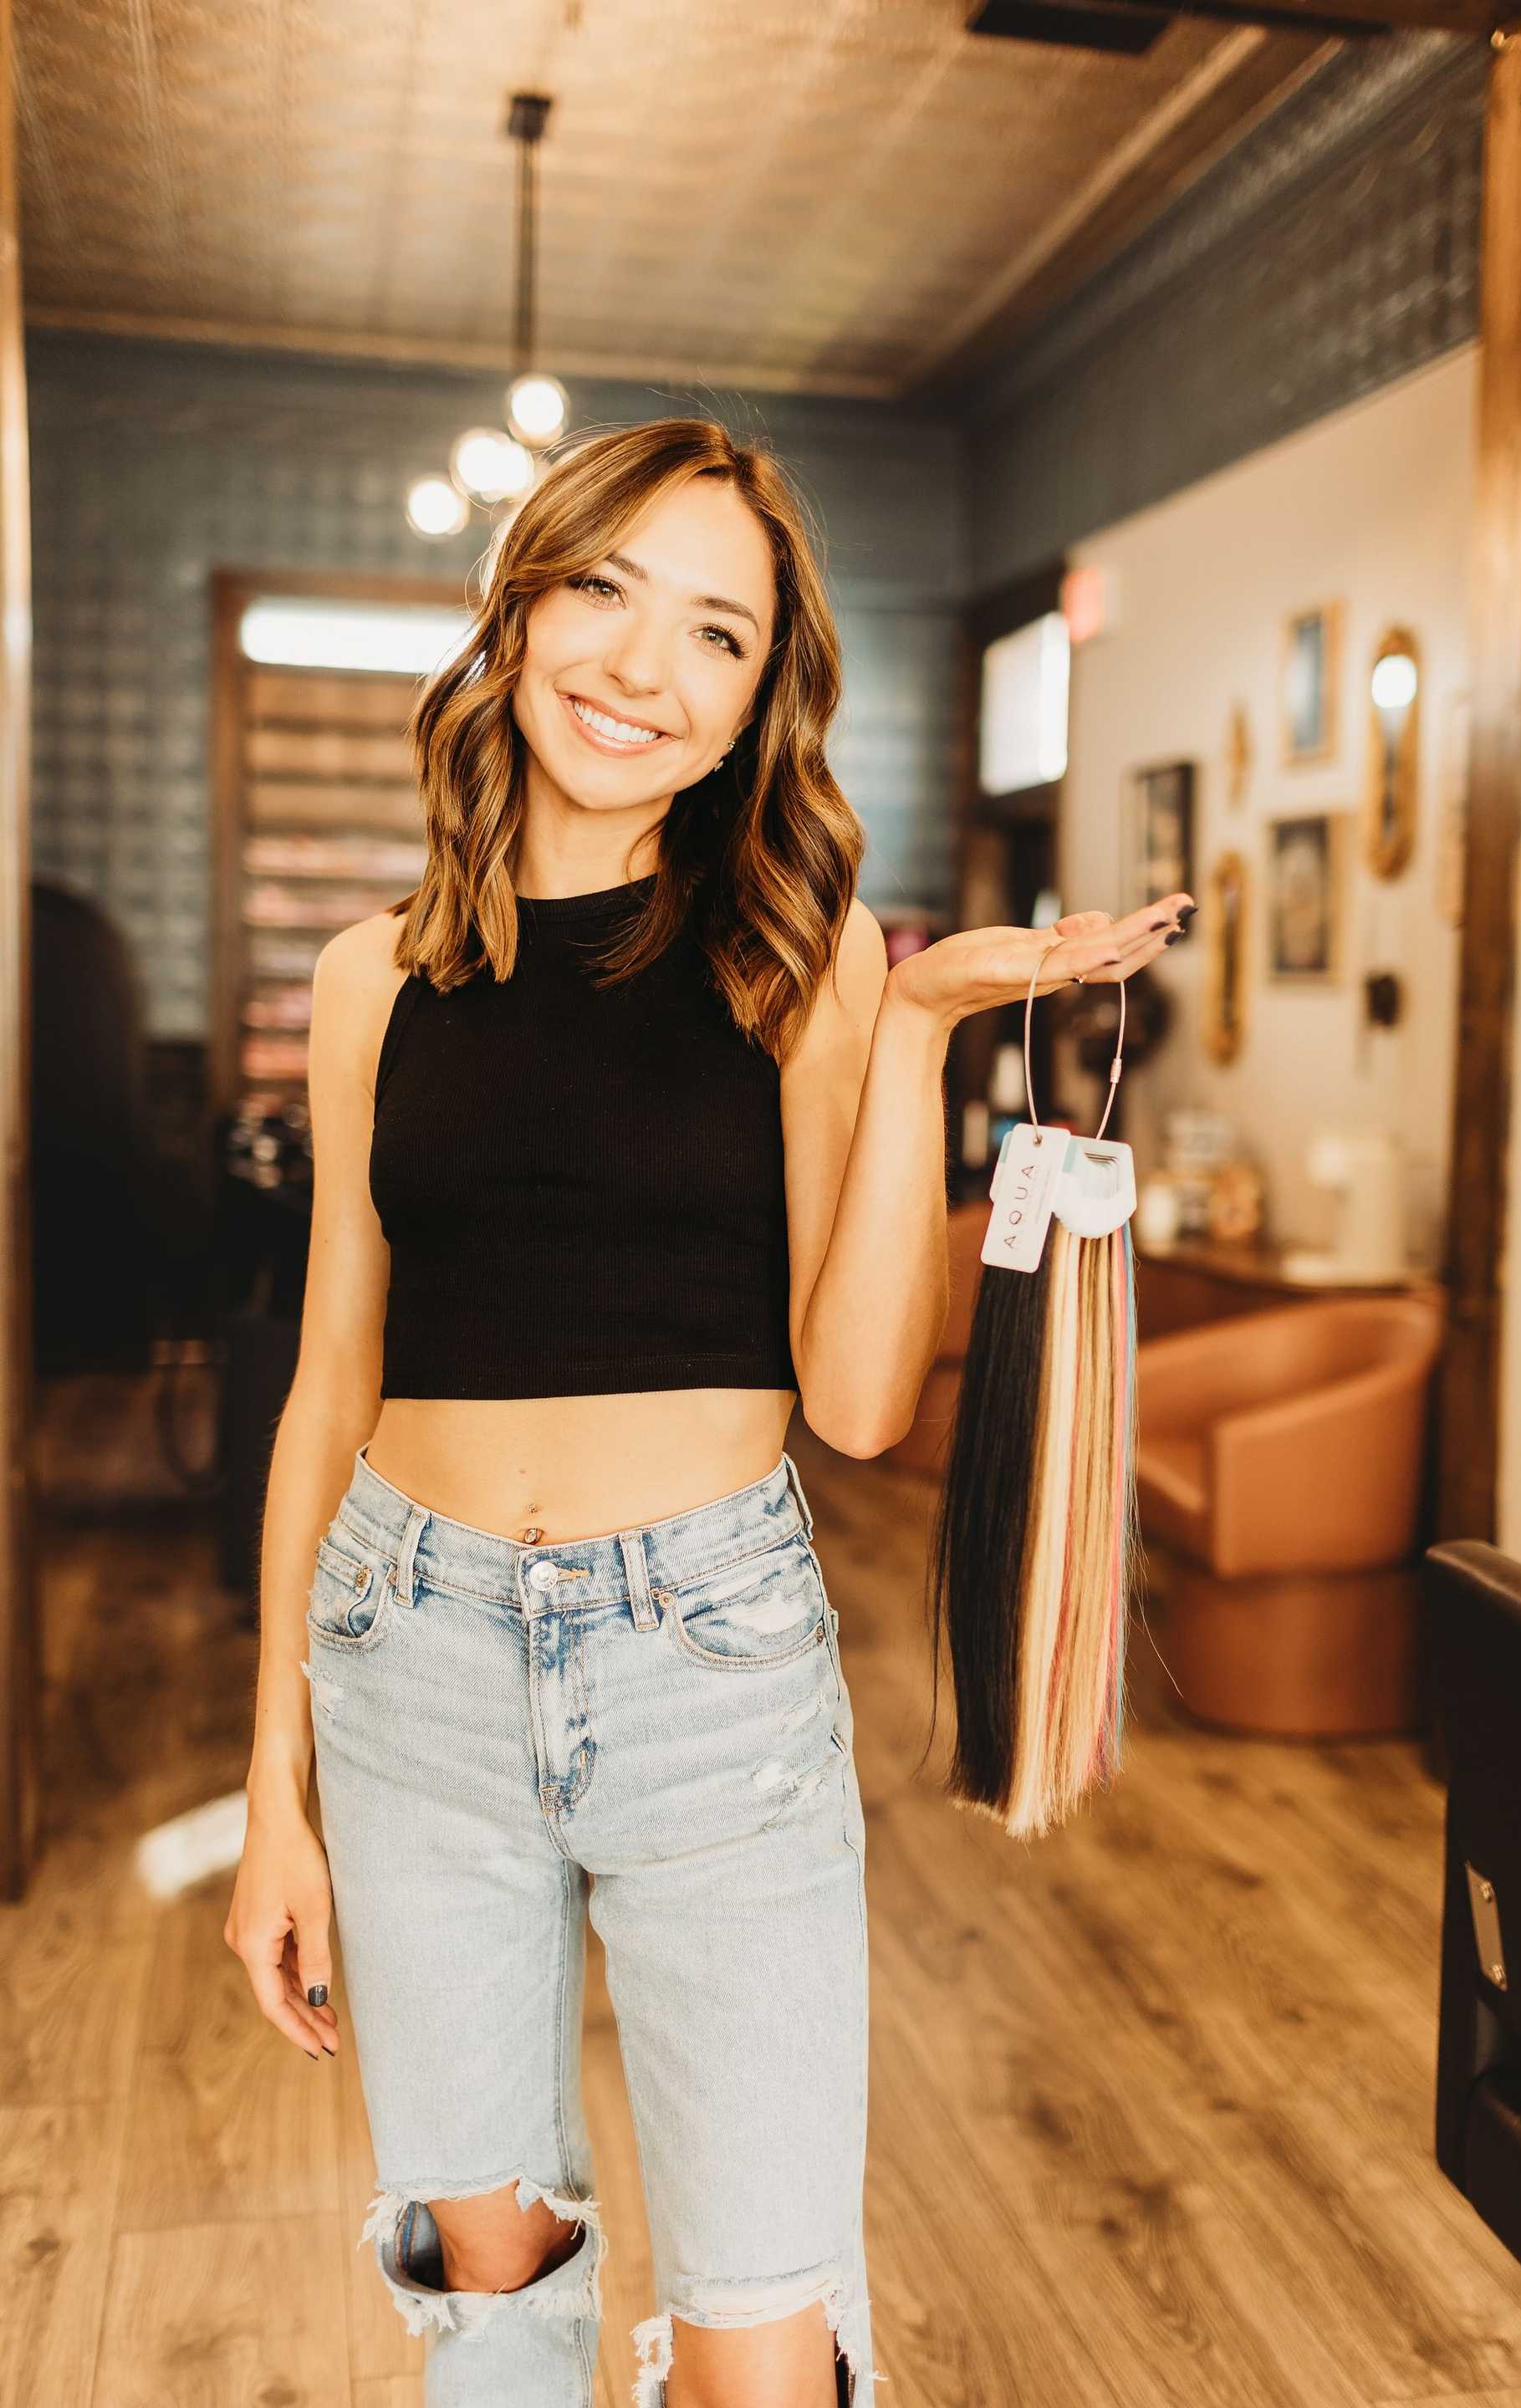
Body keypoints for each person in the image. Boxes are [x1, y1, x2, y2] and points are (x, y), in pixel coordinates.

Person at [223, 414, 1191, 2408]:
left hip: (710, 1663)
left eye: (716, 637)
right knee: (490, 2290)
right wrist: (272, 1791)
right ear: (519, 605)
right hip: (405, 1660)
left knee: (764, 2330)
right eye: (602, 590)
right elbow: (332, 1385)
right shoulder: (364, 984)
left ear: (763, 698)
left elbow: (849, 1405)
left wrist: (915, 1030)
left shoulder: (805, 955)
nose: (641, 669)